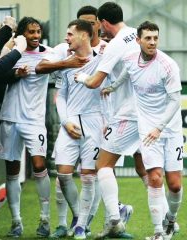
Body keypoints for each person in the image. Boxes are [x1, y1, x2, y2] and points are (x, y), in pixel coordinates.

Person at [73, 2, 154, 238]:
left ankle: (114, 220)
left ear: (104, 22)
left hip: (128, 114)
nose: (101, 30)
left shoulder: (115, 45)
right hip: (149, 113)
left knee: (103, 166)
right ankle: (167, 221)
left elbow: (95, 81)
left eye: (100, 24)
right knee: (144, 168)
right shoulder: (136, 35)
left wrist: (80, 77)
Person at [101, 21, 183, 240]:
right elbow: (127, 73)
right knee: (155, 178)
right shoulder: (130, 59)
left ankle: (171, 220)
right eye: (148, 38)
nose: (152, 42)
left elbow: (176, 100)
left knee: (174, 185)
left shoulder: (168, 65)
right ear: (138, 40)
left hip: (170, 129)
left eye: (155, 38)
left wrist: (160, 127)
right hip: (147, 131)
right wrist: (112, 87)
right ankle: (159, 232)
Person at [0, 17, 51, 238]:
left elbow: (67, 61)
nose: (35, 36)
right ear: (22, 34)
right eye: (31, 32)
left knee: (39, 165)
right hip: (10, 117)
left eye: (38, 32)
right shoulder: (12, 53)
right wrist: (15, 74)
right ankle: (16, 222)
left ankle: (45, 219)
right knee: (12, 170)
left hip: (34, 119)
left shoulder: (50, 53)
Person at [50, 19, 105, 240]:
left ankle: (81, 226)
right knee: (63, 174)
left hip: (94, 124)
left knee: (89, 177)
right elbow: (60, 96)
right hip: (70, 122)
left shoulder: (102, 61)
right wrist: (65, 121)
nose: (66, 38)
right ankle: (77, 217)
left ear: (84, 35)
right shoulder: (66, 63)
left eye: (70, 34)